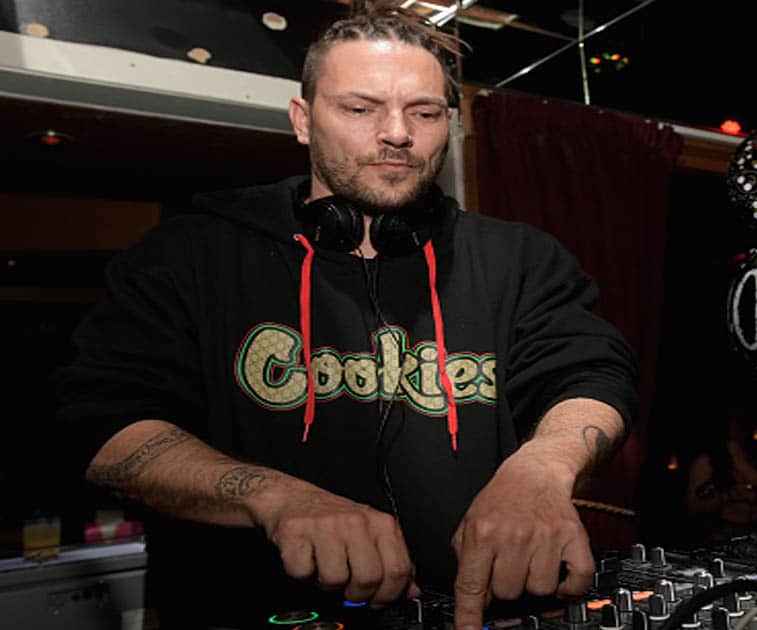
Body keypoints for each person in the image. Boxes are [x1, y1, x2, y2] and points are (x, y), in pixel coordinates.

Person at [54, 3, 637, 629]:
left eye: (424, 112)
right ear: (303, 121)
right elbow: (101, 426)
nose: (396, 133)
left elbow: (590, 376)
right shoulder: (191, 254)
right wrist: (275, 498)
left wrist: (541, 469)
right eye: (360, 109)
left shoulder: (518, 257)